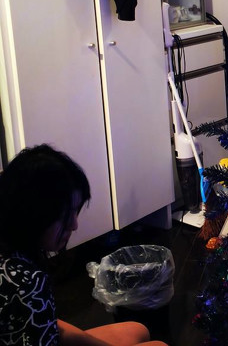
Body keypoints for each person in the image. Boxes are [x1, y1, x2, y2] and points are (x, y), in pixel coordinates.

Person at [0, 144, 168, 346]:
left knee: (137, 330)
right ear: (34, 213)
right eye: (64, 215)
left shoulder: (12, 247)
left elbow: (51, 324)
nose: (74, 224)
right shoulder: (26, 285)